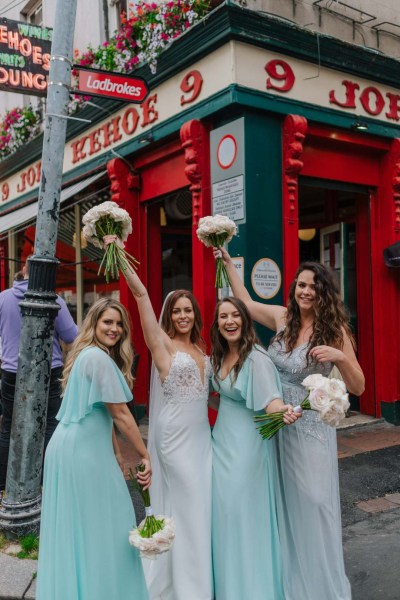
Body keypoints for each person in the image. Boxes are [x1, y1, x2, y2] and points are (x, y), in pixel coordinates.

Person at [215, 248, 365, 600]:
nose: (305, 291)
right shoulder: (283, 318)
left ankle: (320, 585)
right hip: (276, 423)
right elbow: (246, 303)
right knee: (279, 501)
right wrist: (226, 264)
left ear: (323, 292)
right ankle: (287, 582)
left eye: (313, 286)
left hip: (310, 427)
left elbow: (358, 386)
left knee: (313, 502)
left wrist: (339, 357)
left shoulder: (335, 330)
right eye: (300, 285)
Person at [109, 236, 213, 600]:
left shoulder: (200, 349)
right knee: (188, 508)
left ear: (195, 316)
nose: (183, 316)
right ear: (170, 316)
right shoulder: (163, 345)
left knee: (200, 508)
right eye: (177, 311)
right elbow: (141, 298)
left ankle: (199, 581)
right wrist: (119, 255)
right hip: (174, 442)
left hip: (203, 441)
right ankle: (190, 590)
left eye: (189, 310)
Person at [36, 298, 151, 600]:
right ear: (94, 324)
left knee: (81, 530)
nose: (113, 329)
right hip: (82, 454)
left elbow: (99, 411)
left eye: (118, 324)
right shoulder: (99, 359)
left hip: (71, 447)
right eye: (107, 322)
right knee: (109, 526)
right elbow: (121, 414)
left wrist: (115, 453)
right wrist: (144, 454)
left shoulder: (85, 355)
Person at [210, 296, 299, 600]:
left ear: (245, 321)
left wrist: (283, 411)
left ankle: (251, 590)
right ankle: (229, 588)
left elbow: (270, 399)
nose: (230, 321)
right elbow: (218, 396)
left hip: (246, 450)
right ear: (217, 323)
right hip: (221, 445)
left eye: (236, 315)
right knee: (224, 518)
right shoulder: (220, 356)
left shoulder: (256, 359)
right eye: (223, 317)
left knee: (244, 517)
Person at [0, 256, 78, 490]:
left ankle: (4, 488)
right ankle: (46, 485)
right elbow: (72, 337)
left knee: (9, 429)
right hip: (49, 371)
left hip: (12, 371)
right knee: (51, 427)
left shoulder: (2, 298)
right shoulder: (54, 299)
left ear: (24, 270)